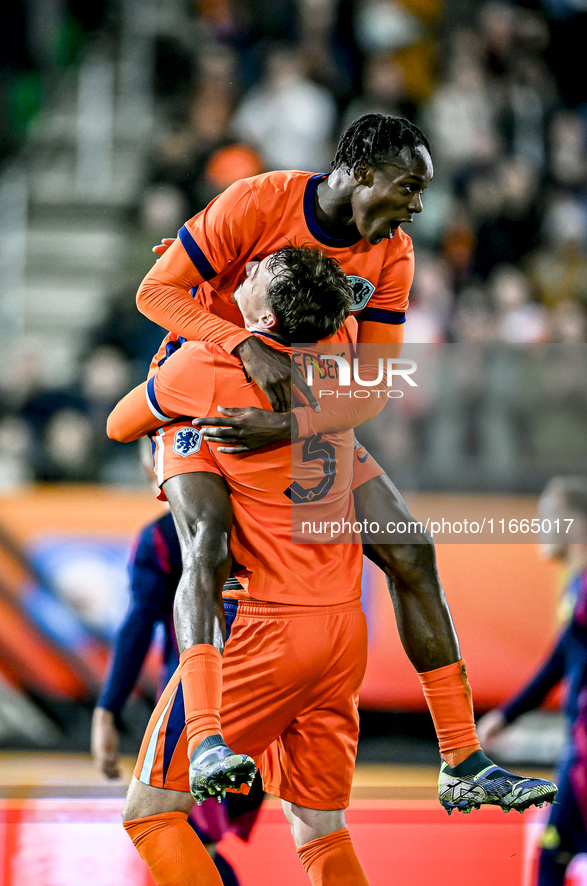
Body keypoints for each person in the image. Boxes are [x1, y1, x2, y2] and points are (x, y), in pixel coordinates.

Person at [133, 113, 556, 810]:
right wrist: (240, 344)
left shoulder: (393, 253)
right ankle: (206, 735)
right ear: (360, 173)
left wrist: (290, 426)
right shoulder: (255, 202)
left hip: (297, 416)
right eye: (407, 186)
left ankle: (461, 758)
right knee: (207, 549)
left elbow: (376, 385)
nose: (415, 205)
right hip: (202, 403)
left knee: (411, 551)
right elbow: (155, 291)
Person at [114, 243, 382, 885]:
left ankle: (206, 735)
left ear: (263, 320)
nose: (250, 265)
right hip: (342, 626)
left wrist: (196, 366)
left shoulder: (209, 365)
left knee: (151, 815)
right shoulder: (337, 359)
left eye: (261, 269)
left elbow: (120, 422)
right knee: (319, 827)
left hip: (258, 628)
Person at [91, 507, 263, 886]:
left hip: (199, 706)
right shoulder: (264, 518)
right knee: (319, 828)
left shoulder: (162, 536)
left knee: (171, 828)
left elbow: (139, 622)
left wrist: (107, 709)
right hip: (268, 697)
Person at [478, 477, 587, 884]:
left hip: (586, 753)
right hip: (580, 748)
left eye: (549, 517)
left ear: (575, 523)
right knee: (556, 856)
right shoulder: (578, 586)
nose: (541, 527)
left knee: (552, 860)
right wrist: (506, 715)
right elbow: (560, 661)